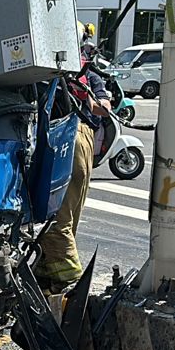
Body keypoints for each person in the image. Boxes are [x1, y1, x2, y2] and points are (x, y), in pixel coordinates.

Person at [39, 28, 116, 293]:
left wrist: (84, 92)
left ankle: (64, 276)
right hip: (60, 138)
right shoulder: (47, 71)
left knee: (65, 214)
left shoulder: (89, 76)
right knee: (59, 213)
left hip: (77, 137)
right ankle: (55, 272)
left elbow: (104, 108)